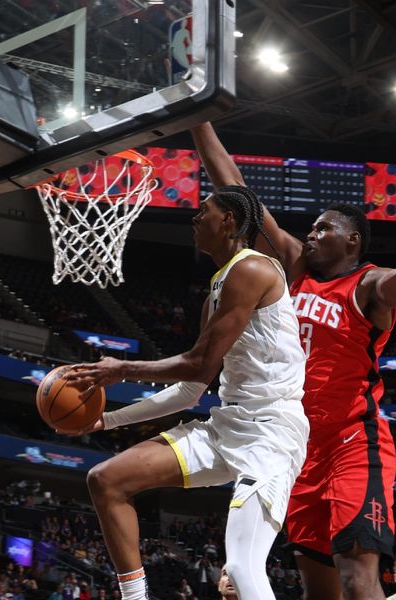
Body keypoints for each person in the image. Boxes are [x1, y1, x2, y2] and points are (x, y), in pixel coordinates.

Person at [190, 121, 396, 600]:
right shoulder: (292, 267)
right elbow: (236, 188)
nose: (312, 235)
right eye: (313, 228)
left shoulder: (370, 285)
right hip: (295, 451)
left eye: (324, 229)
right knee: (319, 591)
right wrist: (198, 118)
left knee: (359, 581)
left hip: (352, 446)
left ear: (353, 241)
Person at [63, 188, 309, 600]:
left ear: (228, 220)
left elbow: (199, 364)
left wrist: (122, 369)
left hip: (271, 434)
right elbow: (190, 392)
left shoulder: (253, 269)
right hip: (228, 425)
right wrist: (106, 420)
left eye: (203, 212)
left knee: (242, 568)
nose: (195, 220)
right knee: (106, 480)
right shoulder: (219, 283)